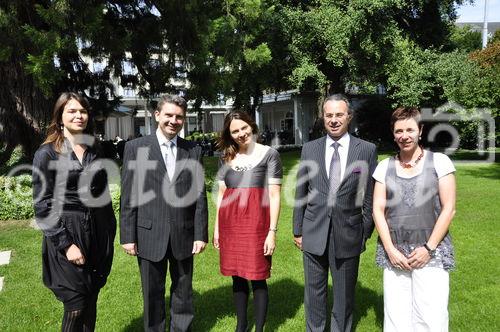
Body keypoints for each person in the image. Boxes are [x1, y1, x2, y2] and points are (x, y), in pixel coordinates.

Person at [120, 94, 208, 332]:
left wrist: (200, 234)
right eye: (168, 115)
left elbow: (199, 195)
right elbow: (128, 196)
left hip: (184, 232)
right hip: (149, 233)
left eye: (179, 116)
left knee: (183, 294)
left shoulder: (193, 150)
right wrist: (128, 236)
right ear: (157, 115)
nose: (174, 120)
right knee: (152, 294)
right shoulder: (135, 148)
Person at [293, 94, 378, 332]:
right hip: (313, 230)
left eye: (339, 115)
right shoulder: (309, 149)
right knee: (314, 296)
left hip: (348, 232)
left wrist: (364, 231)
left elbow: (369, 196)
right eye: (328, 115)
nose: (333, 120)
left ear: (349, 116)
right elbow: (301, 191)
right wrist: (298, 229)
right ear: (323, 118)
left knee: (343, 298)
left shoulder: (367, 150)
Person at [32, 92, 116, 331]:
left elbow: (102, 193)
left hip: (97, 232)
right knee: (76, 304)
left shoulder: (95, 148)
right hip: (67, 231)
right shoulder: (46, 153)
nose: (79, 115)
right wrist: (67, 244)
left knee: (91, 298)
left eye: (83, 111)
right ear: (60, 117)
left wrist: (109, 229)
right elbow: (42, 205)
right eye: (72, 111)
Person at [372, 107, 456, 331]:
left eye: (410, 129)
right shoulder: (383, 167)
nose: (404, 136)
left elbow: (449, 209)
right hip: (395, 251)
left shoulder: (440, 163)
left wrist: (428, 249)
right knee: (396, 316)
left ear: (420, 130)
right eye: (399, 130)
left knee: (431, 316)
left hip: (431, 251)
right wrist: (390, 250)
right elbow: (377, 210)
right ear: (393, 133)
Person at [214, 111, 282, 332]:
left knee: (257, 276)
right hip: (230, 226)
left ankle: (260, 328)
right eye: (235, 131)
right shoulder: (225, 156)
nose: (241, 133)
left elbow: (274, 195)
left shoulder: (269, 155)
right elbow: (222, 195)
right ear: (230, 134)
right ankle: (241, 326)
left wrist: (272, 231)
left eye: (244, 128)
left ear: (251, 126)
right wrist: (216, 229)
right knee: (237, 276)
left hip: (256, 225)